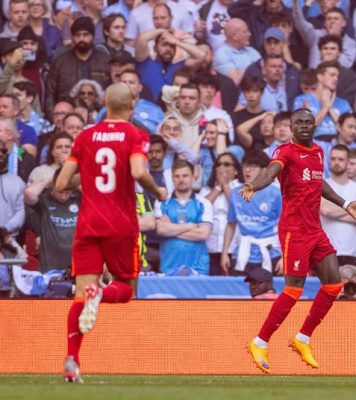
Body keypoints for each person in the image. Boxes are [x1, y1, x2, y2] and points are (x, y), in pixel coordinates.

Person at [242, 108, 356, 374]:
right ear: (290, 127)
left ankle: (302, 338)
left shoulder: (318, 153)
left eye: (308, 122)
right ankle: (259, 342)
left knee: (334, 285)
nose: (303, 126)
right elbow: (271, 171)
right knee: (293, 290)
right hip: (294, 231)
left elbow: (318, 182)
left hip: (315, 230)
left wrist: (347, 204)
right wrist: (255, 185)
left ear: (314, 126)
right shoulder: (285, 152)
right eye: (298, 122)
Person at [55, 83, 167, 383]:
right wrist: (158, 190)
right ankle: (101, 294)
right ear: (131, 108)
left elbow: (62, 183)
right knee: (126, 289)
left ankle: (72, 360)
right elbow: (137, 171)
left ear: (105, 104)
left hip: (89, 223)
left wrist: (89, 174)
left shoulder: (85, 136)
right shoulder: (134, 134)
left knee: (80, 295)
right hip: (120, 224)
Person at [221, 150, 282, 276]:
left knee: (269, 294)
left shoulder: (276, 194)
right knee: (239, 294)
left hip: (270, 253)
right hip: (243, 253)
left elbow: (288, 226)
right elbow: (231, 224)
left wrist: (285, 257)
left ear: (264, 170)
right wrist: (224, 253)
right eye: (245, 166)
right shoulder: (236, 193)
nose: (247, 170)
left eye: (253, 167)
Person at [155, 159, 214, 275]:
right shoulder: (162, 203)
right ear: (172, 178)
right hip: (169, 267)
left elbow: (203, 234)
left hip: (198, 268)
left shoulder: (204, 203)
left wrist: (171, 228)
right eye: (177, 176)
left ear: (193, 177)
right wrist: (191, 225)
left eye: (185, 176)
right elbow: (160, 230)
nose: (181, 180)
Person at [24, 168, 80, 273]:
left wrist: (73, 183)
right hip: (50, 266)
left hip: (76, 265)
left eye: (67, 192)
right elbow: (28, 194)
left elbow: (97, 198)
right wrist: (49, 180)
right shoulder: (45, 201)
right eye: (60, 192)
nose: (63, 197)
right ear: (53, 187)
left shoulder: (78, 199)